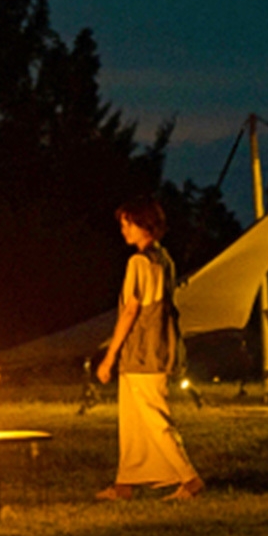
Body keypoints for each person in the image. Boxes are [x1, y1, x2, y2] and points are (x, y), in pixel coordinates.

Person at [95, 196, 207, 502]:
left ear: (143, 225)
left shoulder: (139, 262)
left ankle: (189, 478)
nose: (123, 230)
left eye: (126, 224)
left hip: (144, 352)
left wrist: (109, 356)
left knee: (155, 419)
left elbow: (131, 310)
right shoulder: (164, 259)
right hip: (156, 349)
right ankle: (125, 483)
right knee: (132, 421)